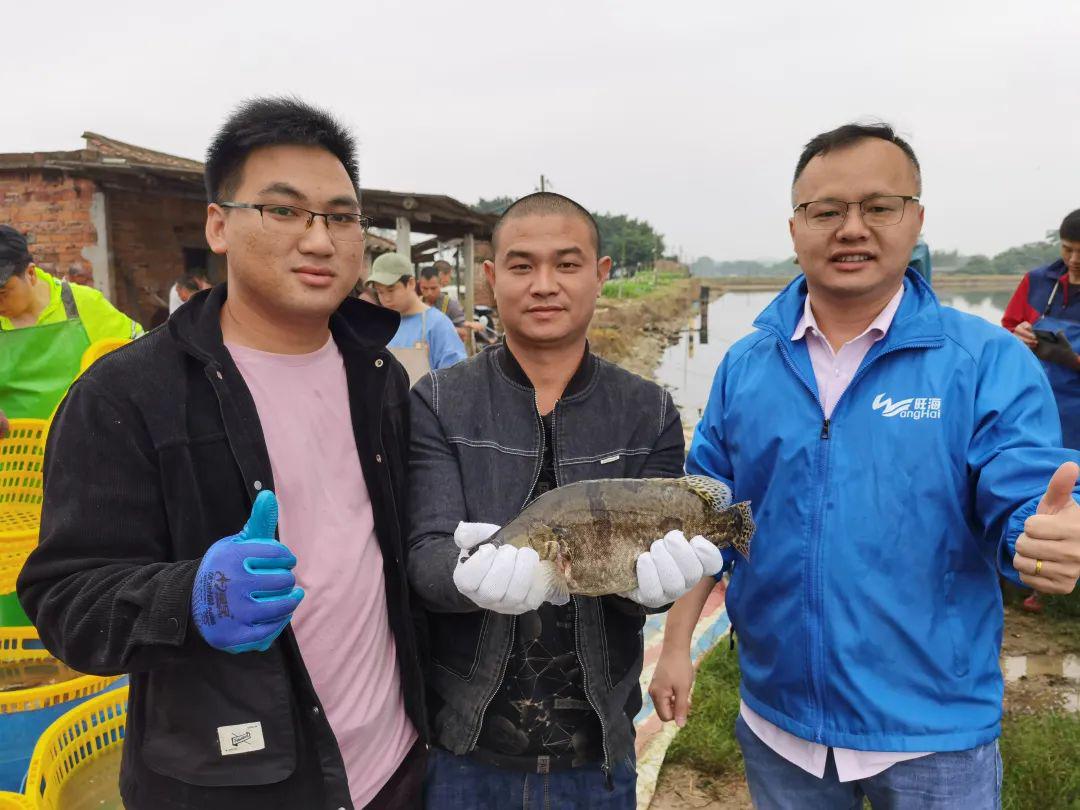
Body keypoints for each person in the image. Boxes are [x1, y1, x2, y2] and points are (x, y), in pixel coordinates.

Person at [648, 123, 1080, 809]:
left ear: (916, 219)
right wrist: (675, 645)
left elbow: (1024, 486)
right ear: (795, 229)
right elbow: (709, 519)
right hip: (779, 722)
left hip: (934, 731)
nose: (852, 228)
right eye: (827, 212)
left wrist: (1040, 530)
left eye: (879, 207)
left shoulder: (986, 360)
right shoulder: (746, 366)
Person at [18, 98, 426, 810]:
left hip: (395, 763)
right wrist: (191, 597)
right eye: (284, 211)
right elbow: (64, 601)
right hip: (235, 784)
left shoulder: (378, 376)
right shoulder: (125, 397)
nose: (320, 240)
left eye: (339, 216)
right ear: (218, 225)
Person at [408, 192, 724, 809]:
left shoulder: (647, 411)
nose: (544, 284)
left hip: (598, 752)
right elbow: (423, 552)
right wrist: (463, 574)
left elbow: (665, 542)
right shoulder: (439, 402)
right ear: (491, 279)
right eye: (522, 266)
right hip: (462, 748)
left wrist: (653, 590)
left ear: (601, 274)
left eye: (568, 264)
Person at [0, 225, 143, 436]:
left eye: (2, 293)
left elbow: (141, 352)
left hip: (81, 448)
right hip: (15, 456)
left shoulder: (81, 304)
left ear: (30, 274)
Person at [368, 252, 466, 383]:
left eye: (391, 290)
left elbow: (457, 379)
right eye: (380, 292)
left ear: (411, 283)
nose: (386, 298)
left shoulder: (437, 324)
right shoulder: (379, 326)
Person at [418, 265, 467, 340]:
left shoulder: (450, 305)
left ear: (440, 284)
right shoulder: (416, 304)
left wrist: (442, 328)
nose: (429, 292)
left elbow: (464, 333)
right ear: (420, 285)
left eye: (433, 288)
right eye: (424, 288)